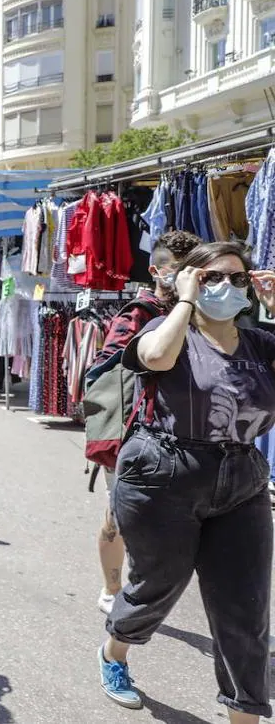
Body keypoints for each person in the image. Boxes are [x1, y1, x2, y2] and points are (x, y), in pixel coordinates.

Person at [100, 242, 275, 722]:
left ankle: (246, 713)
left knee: (246, 607)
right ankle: (115, 651)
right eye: (212, 277)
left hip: (242, 479)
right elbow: (154, 358)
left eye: (239, 279)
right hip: (164, 473)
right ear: (191, 279)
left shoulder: (261, 344)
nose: (227, 287)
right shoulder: (165, 328)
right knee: (157, 585)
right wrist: (183, 300)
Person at [84, 231, 202, 616]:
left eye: (195, 271)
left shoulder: (200, 312)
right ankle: (111, 588)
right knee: (119, 516)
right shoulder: (139, 313)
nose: (187, 278)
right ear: (156, 271)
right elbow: (105, 370)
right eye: (179, 270)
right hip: (133, 435)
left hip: (181, 434)